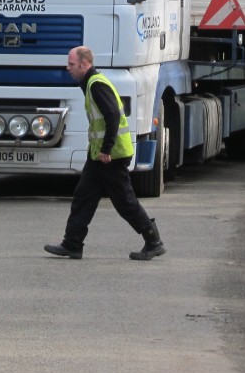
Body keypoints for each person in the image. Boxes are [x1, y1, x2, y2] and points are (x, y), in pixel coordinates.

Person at [44, 46, 166, 261]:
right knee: (83, 197)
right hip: (99, 156)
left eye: (71, 64)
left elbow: (113, 116)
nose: (68, 68)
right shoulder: (90, 83)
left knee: (125, 202)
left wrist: (106, 149)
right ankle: (72, 244)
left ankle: (153, 241)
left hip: (112, 156)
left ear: (84, 64)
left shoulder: (97, 85)